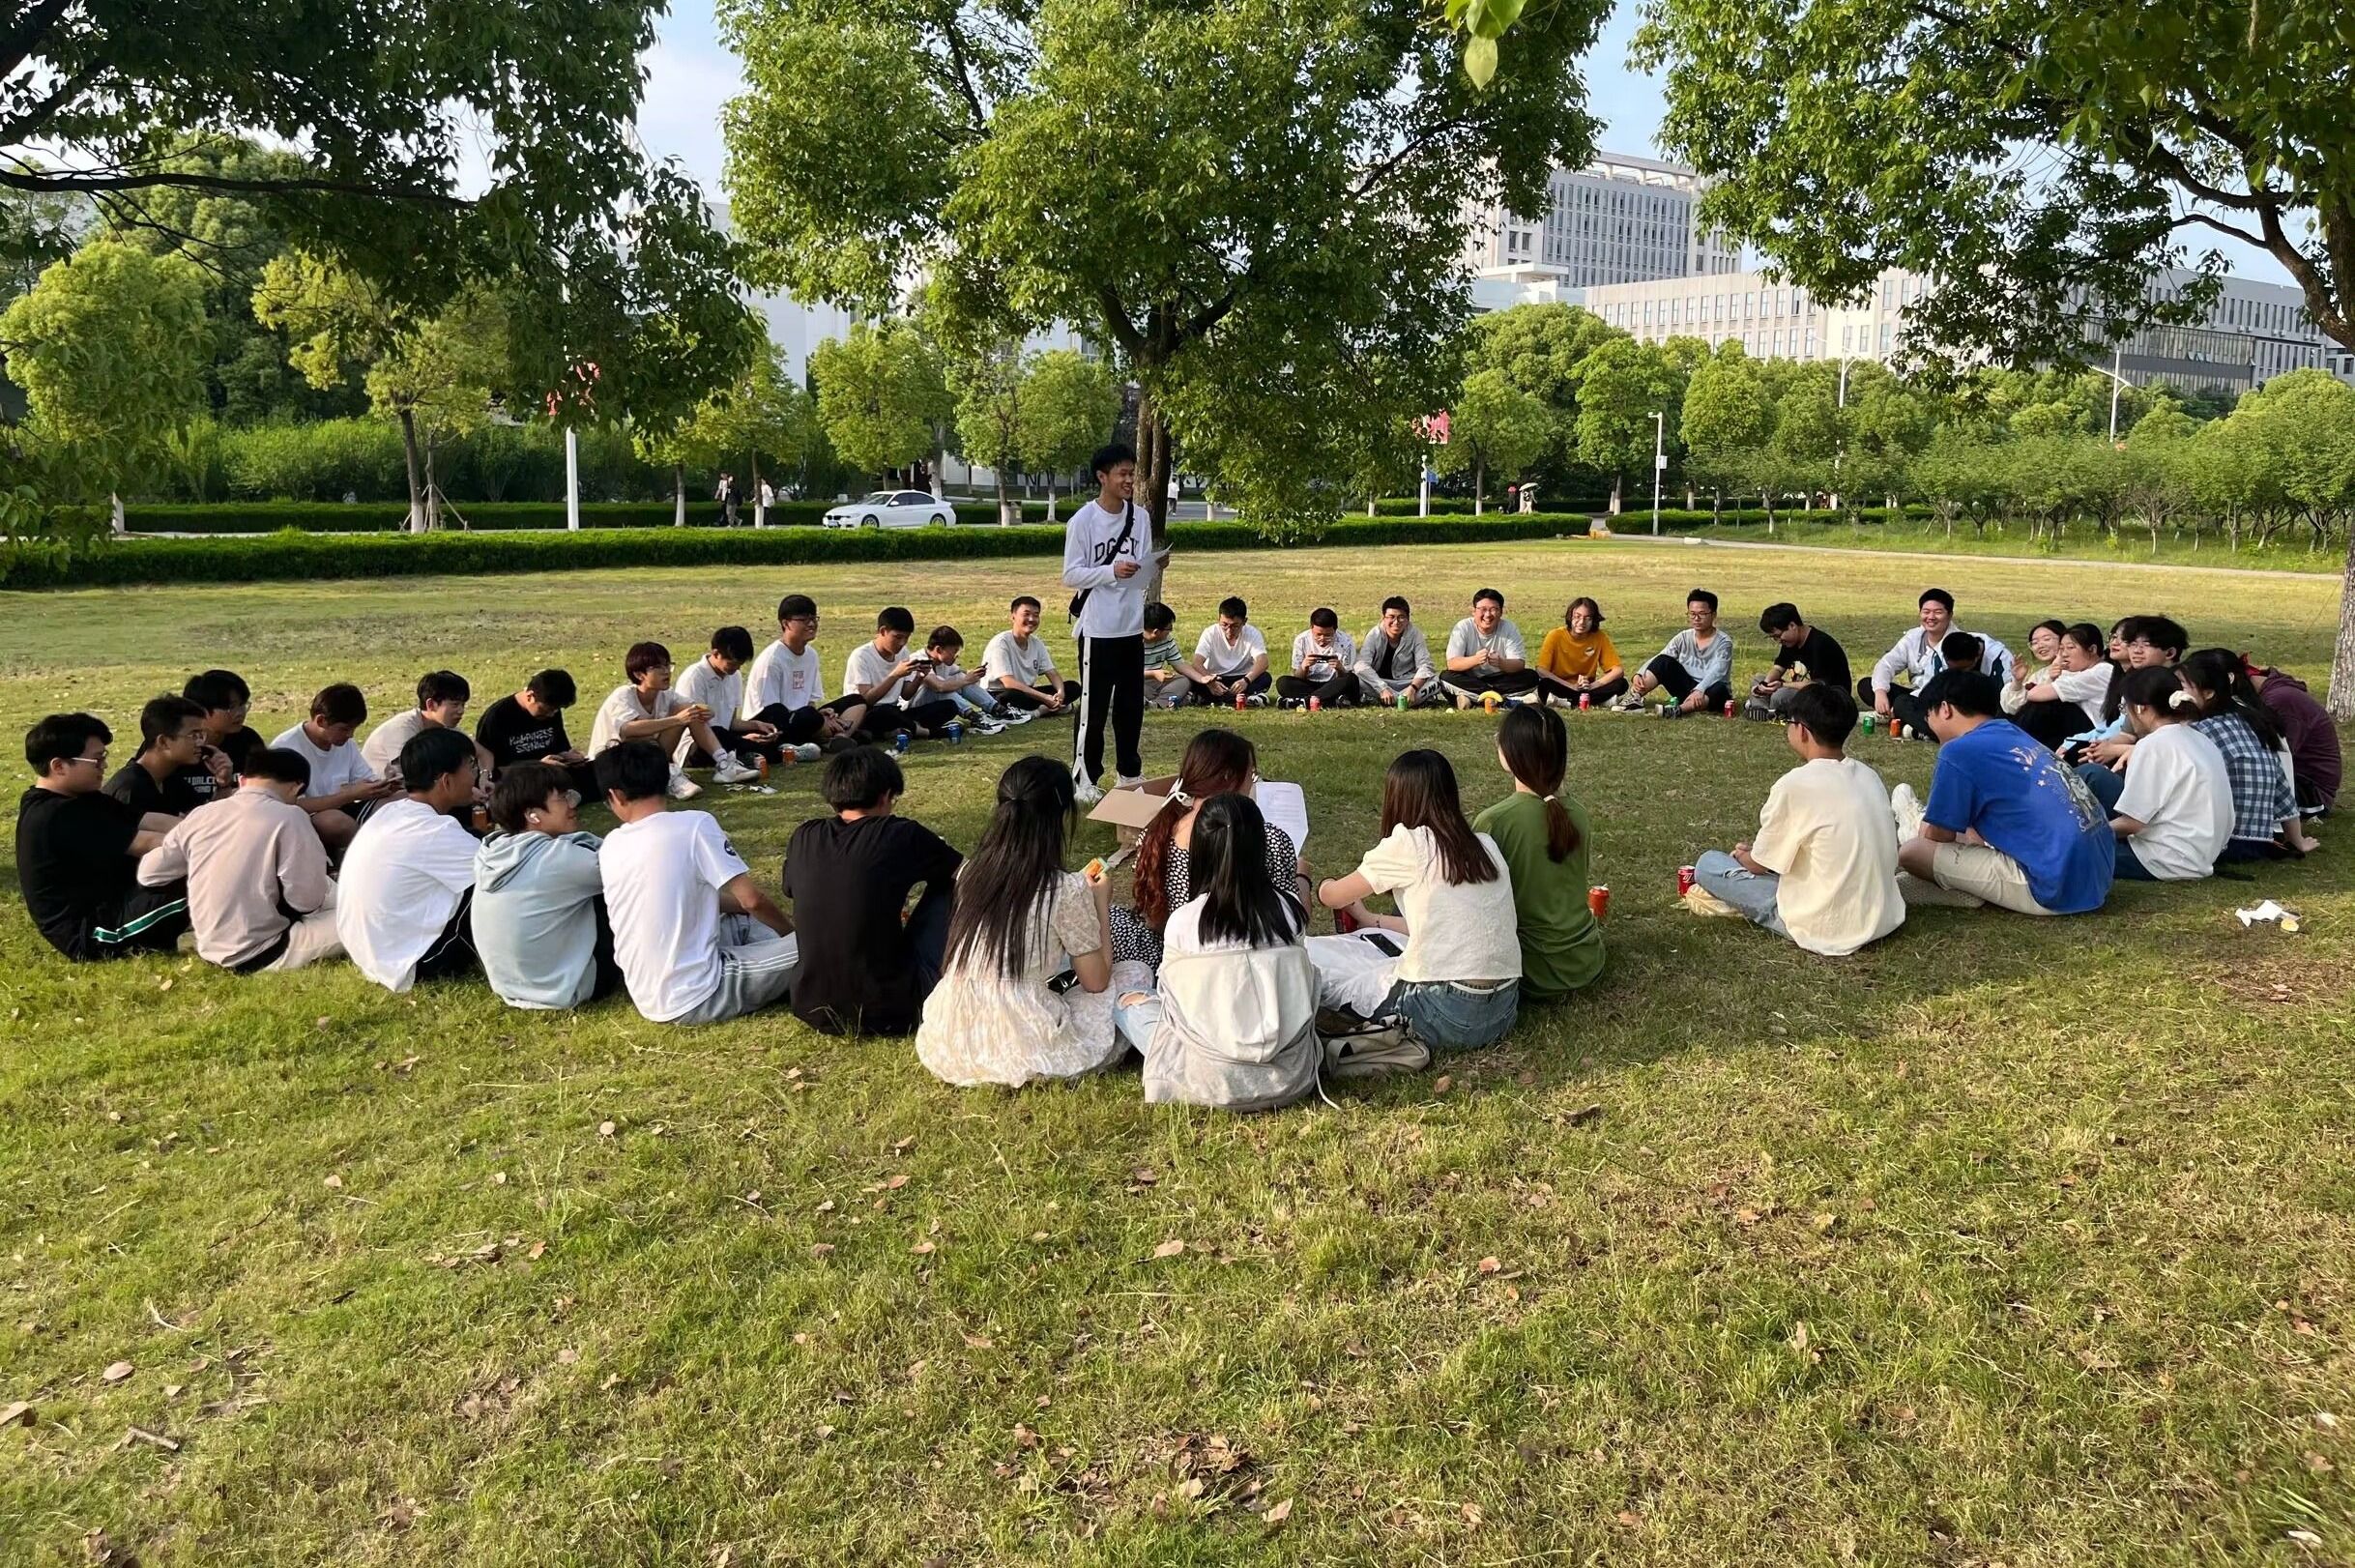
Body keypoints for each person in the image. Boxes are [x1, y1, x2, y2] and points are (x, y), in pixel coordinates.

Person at [916, 756, 1146, 1086]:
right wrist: (1099, 906)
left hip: (954, 1031)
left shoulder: (969, 874)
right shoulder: (1065, 889)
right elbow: (1097, 982)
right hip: (1023, 1035)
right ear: (1060, 816)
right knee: (1135, 972)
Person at [1117, 793, 1321, 1113]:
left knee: (1128, 1003)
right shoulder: (1290, 912)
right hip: (1290, 1077)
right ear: (1261, 847)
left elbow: (1171, 1007)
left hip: (1208, 1079)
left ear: (1201, 850)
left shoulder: (1184, 922)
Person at [1315, 749, 1521, 1050]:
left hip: (1445, 1010)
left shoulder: (1409, 843)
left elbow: (1332, 897)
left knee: (1320, 962)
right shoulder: (1484, 845)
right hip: (1503, 1009)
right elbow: (1442, 927)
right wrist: (1370, 919)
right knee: (1380, 950)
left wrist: (1319, 881)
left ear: (1398, 798)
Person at [596, 740, 800, 1025]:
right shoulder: (694, 825)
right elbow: (752, 900)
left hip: (649, 991)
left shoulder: (611, 844)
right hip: (700, 993)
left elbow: (708, 901)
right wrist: (792, 935)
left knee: (740, 919)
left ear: (615, 796)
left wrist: (743, 911)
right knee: (823, 940)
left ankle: (781, 962)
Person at [1694, 683, 1905, 954]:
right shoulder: (1868, 775)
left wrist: (1743, 857)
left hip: (1828, 925)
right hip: (1883, 915)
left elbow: (1758, 865)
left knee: (1709, 864)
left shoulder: (1795, 785)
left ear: (1802, 730)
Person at [1893, 672, 2114, 915]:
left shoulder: (1957, 751)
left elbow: (1939, 835)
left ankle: (1947, 874)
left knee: (1912, 852)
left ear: (1945, 709)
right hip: (2096, 878)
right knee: (1967, 824)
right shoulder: (2012, 733)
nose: (1929, 724)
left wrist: (1924, 830)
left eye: (1928, 715)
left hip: (2052, 887)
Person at [783, 747, 964, 1035]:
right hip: (892, 1007)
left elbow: (793, 890)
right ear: (885, 796)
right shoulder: (901, 833)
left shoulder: (804, 835)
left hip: (811, 1005)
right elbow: (965, 871)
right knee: (954, 885)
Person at [1110, 728, 1306, 971]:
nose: (1252, 782)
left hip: (1174, 960)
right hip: (1256, 957)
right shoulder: (1271, 840)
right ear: (1229, 777)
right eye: (1252, 775)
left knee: (1109, 916)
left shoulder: (1157, 834)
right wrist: (1302, 876)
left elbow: (1152, 916)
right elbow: (1294, 922)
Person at [136, 746, 342, 973]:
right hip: (265, 950)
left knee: (330, 889)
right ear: (297, 787)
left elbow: (149, 873)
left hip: (209, 944)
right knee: (365, 915)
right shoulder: (291, 817)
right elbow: (306, 902)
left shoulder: (202, 814)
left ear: (243, 780)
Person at [16, 712, 188, 961]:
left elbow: (148, 820)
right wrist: (221, 846)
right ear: (59, 766)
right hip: (95, 933)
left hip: (119, 901)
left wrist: (204, 829)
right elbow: (149, 842)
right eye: (96, 760)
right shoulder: (55, 815)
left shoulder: (83, 797)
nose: (104, 766)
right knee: (204, 881)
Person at [334, 727, 483, 990]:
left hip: (372, 952)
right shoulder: (434, 830)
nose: (476, 775)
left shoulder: (391, 811)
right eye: (471, 766)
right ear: (446, 781)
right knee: (494, 882)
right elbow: (504, 869)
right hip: (413, 961)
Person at [1472, 705, 1605, 998]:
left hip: (1533, 971)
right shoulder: (1578, 814)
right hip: (1586, 960)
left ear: (1510, 755)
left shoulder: (1494, 822)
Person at [471, 762, 620, 1009]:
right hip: (567, 987)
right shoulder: (559, 859)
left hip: (511, 987)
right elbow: (631, 871)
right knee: (621, 890)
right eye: (562, 798)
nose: (572, 804)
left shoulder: (492, 853)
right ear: (533, 815)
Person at [2070, 668, 2231, 882]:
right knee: (2093, 774)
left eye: (2125, 709)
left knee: (2066, 852)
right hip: (2198, 854)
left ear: (2140, 708)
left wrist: (2086, 834)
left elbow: (2133, 823)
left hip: (2162, 860)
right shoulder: (2201, 739)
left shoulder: (2153, 745)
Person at [1061, 441, 1150, 803]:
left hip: (1131, 628)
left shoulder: (1140, 518)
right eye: (1122, 474)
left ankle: (1129, 772)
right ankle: (1084, 777)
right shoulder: (1083, 521)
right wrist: (1110, 571)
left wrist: (1151, 565)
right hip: (1098, 630)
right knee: (1093, 709)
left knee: (1130, 708)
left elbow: (1141, 566)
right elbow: (1071, 574)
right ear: (1102, 477)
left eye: (1132, 474)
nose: (1129, 480)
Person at [2178, 648, 2312, 857]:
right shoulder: (2252, 721)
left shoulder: (2200, 730)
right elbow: (2283, 790)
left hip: (2220, 840)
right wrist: (2297, 841)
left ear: (2209, 693)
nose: (2176, 691)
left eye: (2183, 685)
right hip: (2258, 840)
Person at [587, 641, 757, 794]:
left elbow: (690, 709)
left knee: (690, 711)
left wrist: (707, 712)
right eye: (658, 667)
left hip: (649, 757)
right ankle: (669, 774)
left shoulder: (666, 695)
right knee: (647, 732)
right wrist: (677, 720)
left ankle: (723, 763)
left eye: (668, 665)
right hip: (616, 764)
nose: (666, 672)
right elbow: (628, 729)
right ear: (639, 674)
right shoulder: (623, 695)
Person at [1860, 588, 2014, 732]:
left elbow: (1938, 689)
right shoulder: (1914, 637)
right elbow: (1887, 663)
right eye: (1926, 612)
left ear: (1950, 615)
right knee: (1868, 686)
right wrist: (1880, 692)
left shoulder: (1960, 645)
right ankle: (1903, 715)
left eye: (1938, 612)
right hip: (1925, 694)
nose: (1931, 617)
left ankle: (1914, 723)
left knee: (1903, 703)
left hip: (1949, 701)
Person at [271, 682, 396, 853]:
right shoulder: (286, 748)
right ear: (321, 721)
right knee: (334, 822)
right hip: (309, 818)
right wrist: (348, 795)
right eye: (344, 729)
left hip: (345, 806)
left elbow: (364, 779)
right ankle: (369, 855)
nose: (350, 735)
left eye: (353, 729)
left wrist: (383, 786)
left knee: (401, 799)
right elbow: (289, 803)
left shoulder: (344, 743)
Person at [742, 595, 866, 750]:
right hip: (774, 722)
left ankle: (838, 738)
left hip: (806, 716)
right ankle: (829, 735)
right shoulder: (772, 660)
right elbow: (772, 711)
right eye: (804, 620)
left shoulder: (811, 655)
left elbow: (810, 701)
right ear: (785, 623)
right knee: (808, 716)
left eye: (814, 619)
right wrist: (816, 717)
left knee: (856, 700)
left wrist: (823, 714)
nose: (811, 624)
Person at [843, 607, 965, 739]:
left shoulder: (903, 652)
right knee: (884, 712)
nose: (902, 643)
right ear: (883, 631)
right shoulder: (861, 656)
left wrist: (919, 677)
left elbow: (906, 695)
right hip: (868, 713)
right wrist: (895, 675)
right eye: (898, 637)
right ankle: (926, 732)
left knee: (949, 706)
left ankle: (899, 730)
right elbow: (867, 700)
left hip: (895, 711)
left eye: (906, 638)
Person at [676, 626, 788, 767]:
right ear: (716, 653)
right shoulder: (694, 678)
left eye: (740, 664)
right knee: (719, 733)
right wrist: (742, 739)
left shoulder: (734, 675)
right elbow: (696, 727)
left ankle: (756, 750)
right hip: (698, 743)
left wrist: (757, 725)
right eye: (732, 664)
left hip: (726, 735)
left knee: (774, 715)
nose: (737, 668)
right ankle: (761, 752)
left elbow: (730, 722)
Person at [476, 668, 598, 796]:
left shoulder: (551, 711)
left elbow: (559, 746)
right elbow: (495, 768)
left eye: (556, 710)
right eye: (545, 710)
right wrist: (537, 766)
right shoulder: (497, 717)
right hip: (516, 781)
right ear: (530, 696)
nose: (550, 715)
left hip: (550, 774)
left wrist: (567, 755)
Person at [1613, 589, 1735, 715]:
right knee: (1664, 661)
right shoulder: (1683, 637)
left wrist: (1700, 689)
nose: (1696, 618)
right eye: (1692, 614)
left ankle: (1677, 710)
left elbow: (1718, 671)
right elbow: (1661, 656)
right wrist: (1639, 673)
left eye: (1702, 614)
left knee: (1720, 688)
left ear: (1713, 615)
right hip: (1686, 688)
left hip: (1710, 690)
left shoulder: (1723, 642)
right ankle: (1634, 699)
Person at [2246, 657, 2340, 817]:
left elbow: (2276, 757)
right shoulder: (2275, 693)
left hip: (2312, 794)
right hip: (2299, 782)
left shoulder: (2280, 699)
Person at [2008, 624, 2115, 750]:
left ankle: (2013, 745)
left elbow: (2033, 695)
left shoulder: (2099, 672)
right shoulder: (2089, 671)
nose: (2064, 654)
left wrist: (2055, 669)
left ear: (2092, 649)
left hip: (2097, 736)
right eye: (2061, 649)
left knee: (2044, 705)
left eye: (2070, 647)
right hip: (2087, 732)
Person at [104, 695, 210, 820]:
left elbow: (204, 820)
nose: (201, 742)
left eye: (201, 735)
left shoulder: (170, 779)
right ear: (163, 742)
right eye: (193, 736)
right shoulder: (131, 790)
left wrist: (223, 784)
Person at [1743, 602, 1850, 721]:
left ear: (1792, 625)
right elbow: (1778, 668)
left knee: (1780, 696)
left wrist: (1782, 685)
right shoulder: (1790, 643)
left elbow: (1816, 686)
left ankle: (1765, 709)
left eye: (1778, 636)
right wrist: (1765, 685)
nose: (1778, 641)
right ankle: (1763, 710)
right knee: (1758, 679)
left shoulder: (1820, 644)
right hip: (1804, 692)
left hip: (1829, 698)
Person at [361, 670, 476, 780]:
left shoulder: (445, 727)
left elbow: (478, 751)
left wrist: (483, 771)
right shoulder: (403, 728)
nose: (461, 711)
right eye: (455, 705)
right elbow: (409, 775)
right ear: (431, 704)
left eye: (463, 705)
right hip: (380, 790)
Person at [179, 669, 266, 806]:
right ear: (202, 710)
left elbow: (265, 788)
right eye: (231, 707)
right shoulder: (177, 745)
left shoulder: (248, 740)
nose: (240, 713)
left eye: (242, 705)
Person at [982, 596, 1080, 716]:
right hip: (1000, 694)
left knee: (1073, 687)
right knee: (1009, 696)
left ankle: (1048, 706)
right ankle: (1040, 711)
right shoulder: (1001, 643)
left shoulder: (1036, 643)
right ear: (1013, 616)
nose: (1031, 619)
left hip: (1027, 692)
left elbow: (1052, 673)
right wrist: (1044, 697)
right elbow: (1008, 682)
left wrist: (1060, 693)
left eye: (1036, 615)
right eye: (1026, 614)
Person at [1442, 588, 1538, 708]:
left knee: (1532, 676)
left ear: (1501, 612)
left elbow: (1519, 664)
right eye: (1483, 609)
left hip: (1501, 680)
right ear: (1474, 611)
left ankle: (1474, 699)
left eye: (1493, 609)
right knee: (1446, 677)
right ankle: (1503, 700)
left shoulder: (1509, 628)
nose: (1487, 615)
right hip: (1471, 680)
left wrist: (1501, 663)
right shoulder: (1463, 627)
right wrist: (1475, 660)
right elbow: (1452, 664)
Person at [1534, 596, 1628, 707]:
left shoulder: (1599, 637)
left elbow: (1618, 671)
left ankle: (1567, 702)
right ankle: (1593, 701)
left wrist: (1592, 686)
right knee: (1544, 684)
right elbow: (1541, 670)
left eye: (1587, 618)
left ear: (1594, 620)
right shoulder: (1555, 635)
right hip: (1561, 685)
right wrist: (1571, 686)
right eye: (1577, 617)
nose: (1582, 622)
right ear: (1570, 617)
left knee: (1621, 683)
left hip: (1587, 687)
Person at [917, 626, 1009, 734]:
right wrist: (967, 680)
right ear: (939, 650)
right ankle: (975, 718)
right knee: (942, 686)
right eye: (954, 651)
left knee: (960, 677)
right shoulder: (920, 660)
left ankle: (997, 709)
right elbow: (939, 687)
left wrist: (974, 674)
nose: (956, 655)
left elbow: (961, 674)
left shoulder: (941, 661)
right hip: (915, 711)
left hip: (935, 708)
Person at [1355, 595, 1440, 708]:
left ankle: (1393, 699)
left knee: (1435, 681)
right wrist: (1382, 688)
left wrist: (1413, 688)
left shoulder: (1415, 634)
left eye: (1401, 617)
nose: (1396, 622)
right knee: (1356, 680)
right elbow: (1361, 665)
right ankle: (1405, 701)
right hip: (1380, 682)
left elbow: (1425, 665)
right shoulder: (1374, 634)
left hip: (1406, 682)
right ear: (1383, 618)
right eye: (1391, 617)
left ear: (1408, 619)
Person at [1192, 595, 1272, 706]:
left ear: (1244, 621)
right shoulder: (1210, 633)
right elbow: (1197, 662)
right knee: (1192, 680)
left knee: (1265, 678)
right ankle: (1241, 697)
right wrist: (1210, 682)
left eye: (1235, 626)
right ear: (1219, 619)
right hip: (1216, 678)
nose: (1229, 631)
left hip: (1242, 677)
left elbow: (1263, 661)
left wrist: (1246, 680)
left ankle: (1217, 698)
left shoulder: (1253, 633)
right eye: (1224, 625)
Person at [1276, 607, 1359, 709]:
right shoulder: (1301, 640)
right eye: (1318, 635)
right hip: (1309, 684)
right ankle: (1329, 701)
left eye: (1328, 635)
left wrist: (1339, 668)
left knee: (1351, 679)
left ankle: (1305, 702)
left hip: (1333, 685)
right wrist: (1304, 666)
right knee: (1283, 682)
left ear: (1335, 629)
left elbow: (1346, 676)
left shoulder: (1346, 642)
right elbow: (1297, 676)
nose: (1322, 639)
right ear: (1311, 628)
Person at [1140, 601, 1202, 710]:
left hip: (1157, 683)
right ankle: (1175, 700)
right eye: (1169, 629)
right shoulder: (1129, 641)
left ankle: (1155, 704)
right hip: (1136, 682)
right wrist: (1153, 673)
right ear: (1156, 632)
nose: (1170, 631)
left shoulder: (1166, 640)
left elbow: (1180, 664)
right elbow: (1123, 673)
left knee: (1184, 680)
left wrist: (1202, 679)